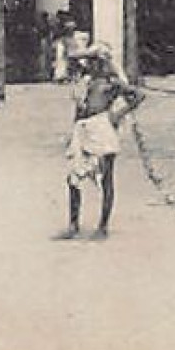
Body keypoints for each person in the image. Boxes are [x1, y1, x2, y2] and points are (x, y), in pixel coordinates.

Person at [59, 44, 144, 239]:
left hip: (102, 127)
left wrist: (116, 115)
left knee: (105, 178)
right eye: (91, 61)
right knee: (73, 177)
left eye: (95, 61)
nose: (91, 64)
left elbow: (138, 96)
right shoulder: (86, 82)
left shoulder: (111, 82)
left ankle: (103, 226)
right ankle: (73, 225)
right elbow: (71, 57)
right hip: (83, 128)